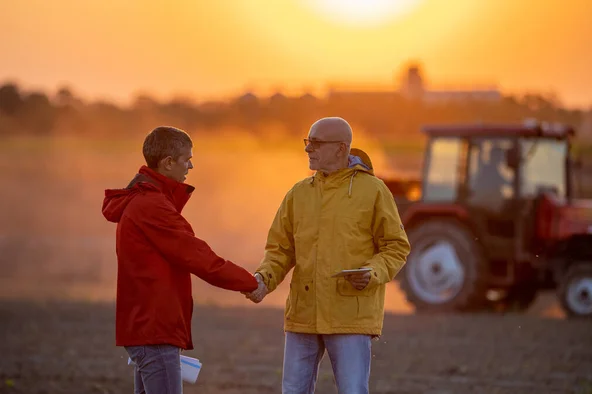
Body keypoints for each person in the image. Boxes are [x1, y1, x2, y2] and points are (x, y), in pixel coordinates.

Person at [244, 117, 411, 393]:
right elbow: (280, 250)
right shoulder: (298, 194)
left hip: (350, 317)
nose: (309, 149)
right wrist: (264, 278)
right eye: (307, 142)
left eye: (317, 143)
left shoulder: (374, 191)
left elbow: (396, 246)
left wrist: (372, 273)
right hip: (303, 314)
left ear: (341, 148)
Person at [102, 126, 258, 394]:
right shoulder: (152, 207)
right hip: (155, 328)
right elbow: (198, 256)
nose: (191, 165)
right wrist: (249, 282)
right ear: (168, 163)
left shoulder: (145, 201)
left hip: (149, 328)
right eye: (187, 159)